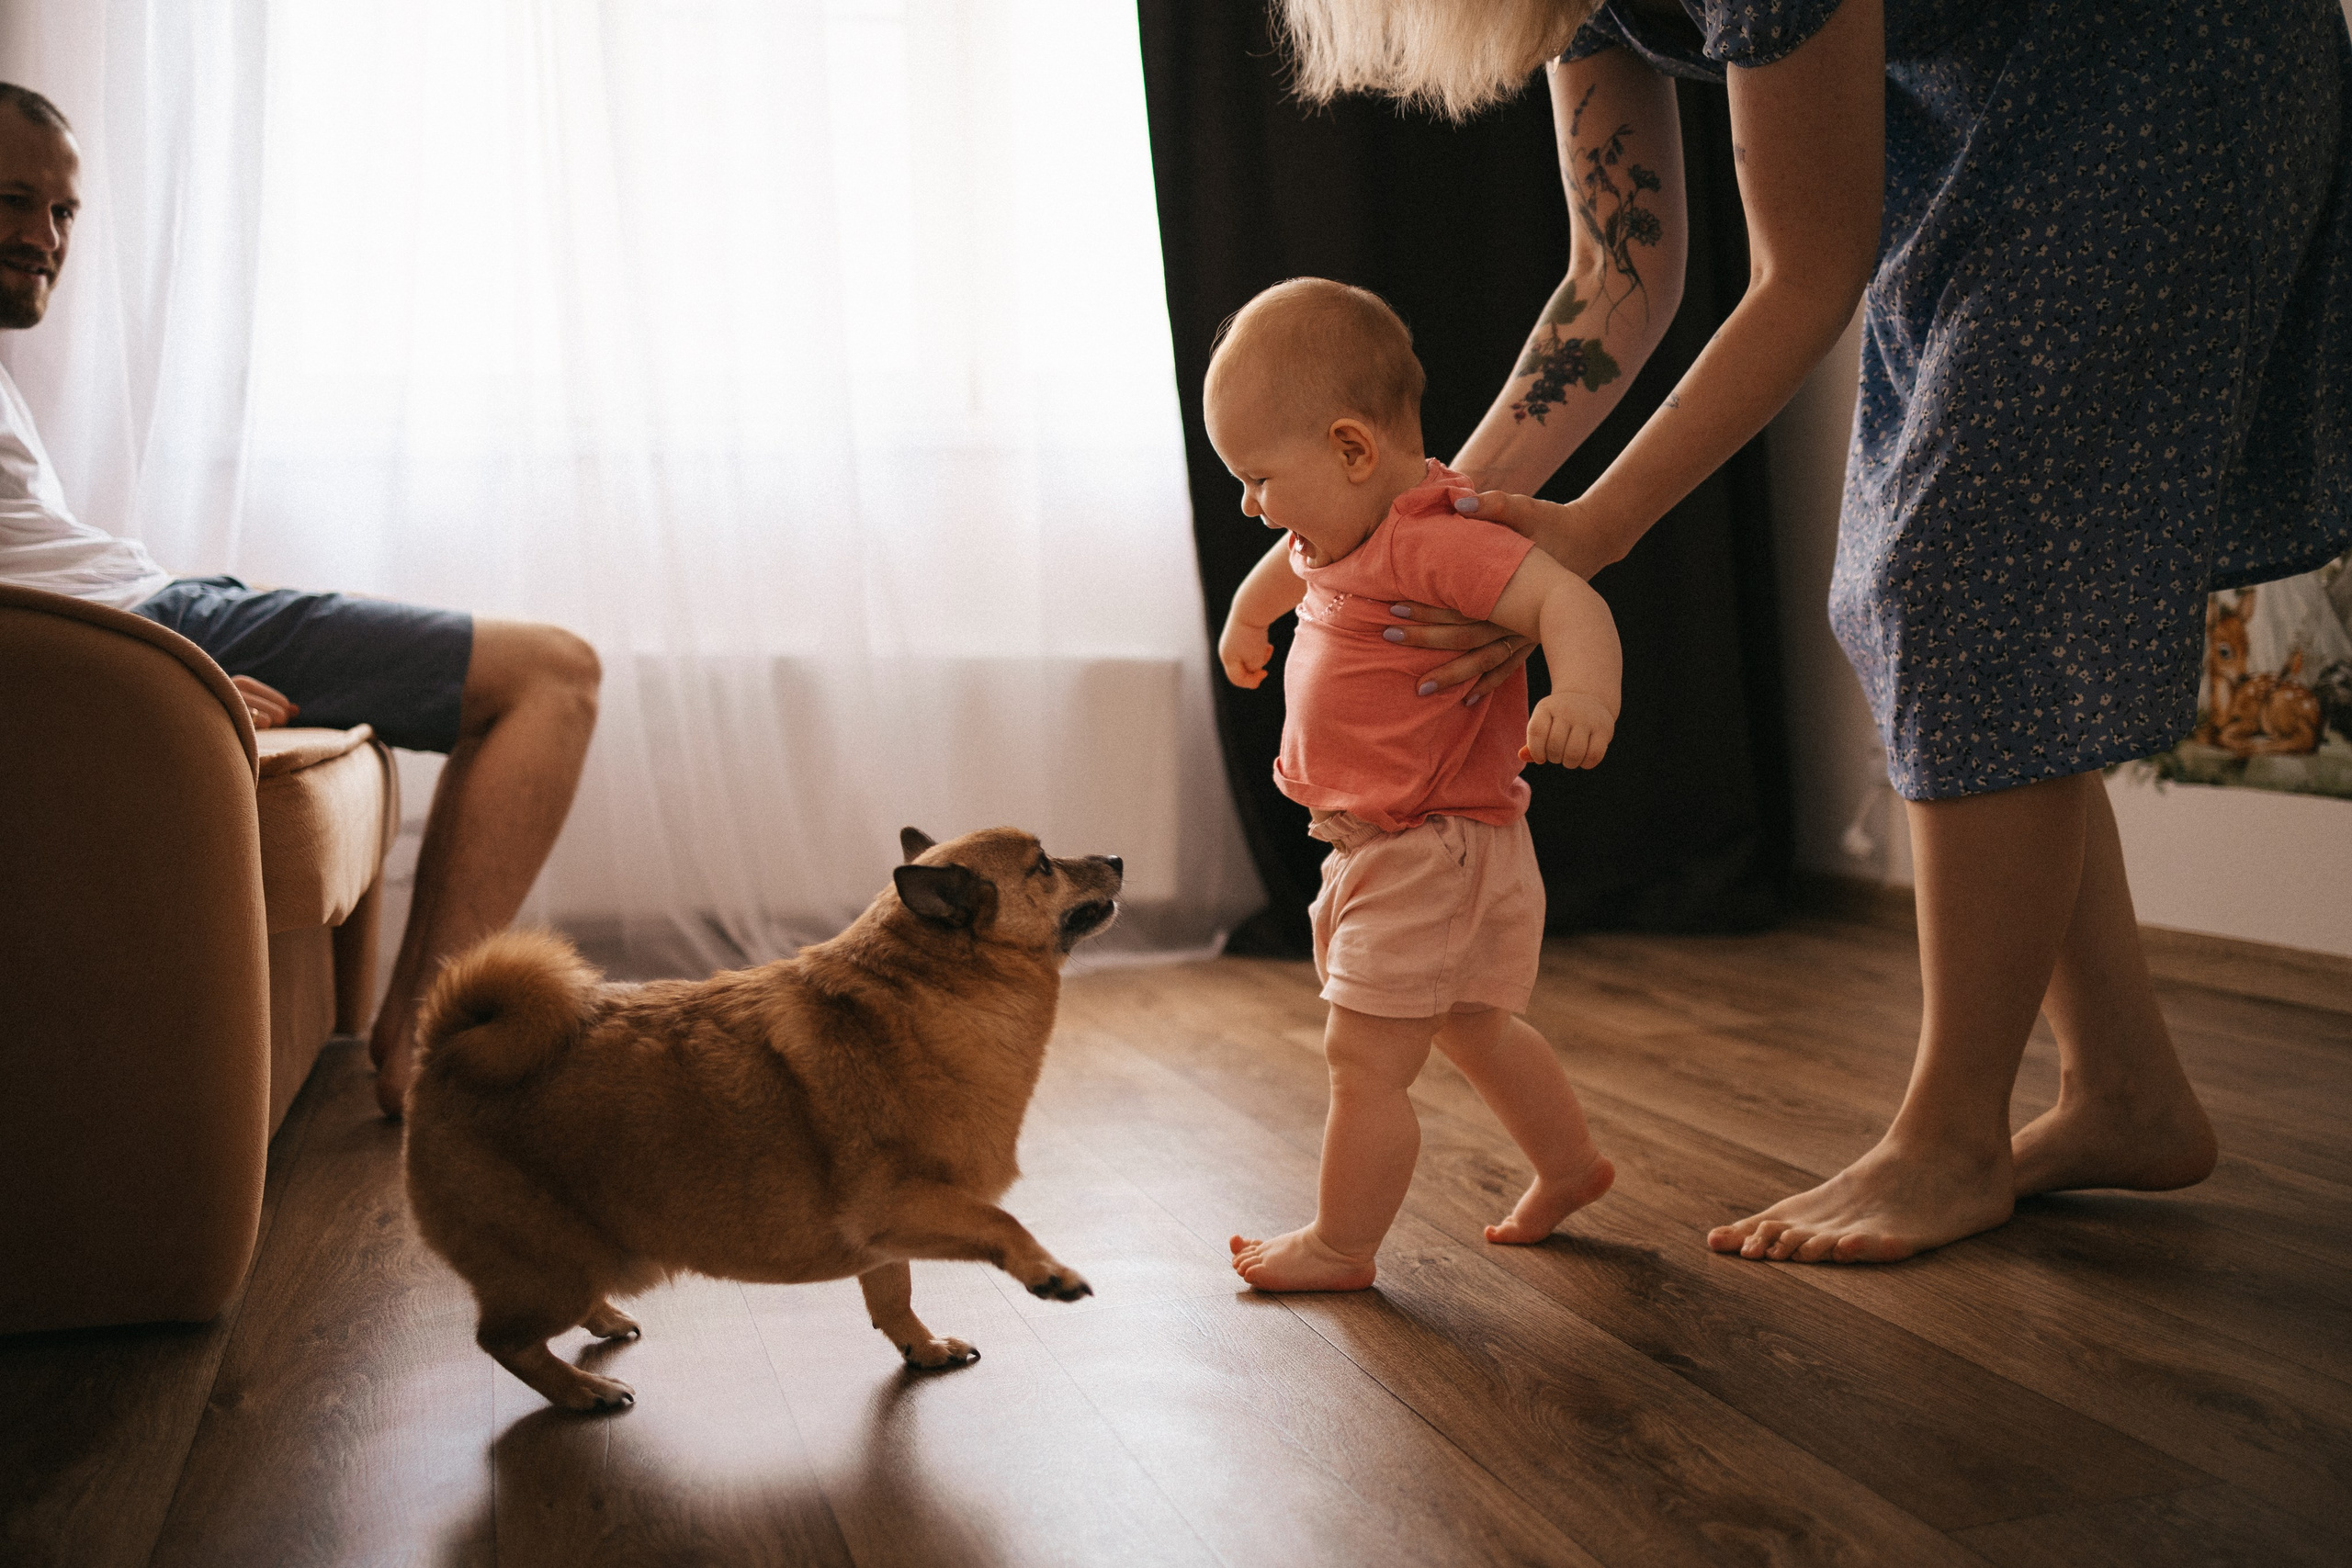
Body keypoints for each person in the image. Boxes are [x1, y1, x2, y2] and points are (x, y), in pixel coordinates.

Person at [1276, 0, 2352, 1262]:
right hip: (1993, 112)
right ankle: (2125, 1092)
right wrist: (1422, 534)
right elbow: (1616, 273)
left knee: (1956, 578)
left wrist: (1597, 525)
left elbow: (1807, 273)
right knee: (1942, 600)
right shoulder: (1567, 2)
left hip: (2166, 69)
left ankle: (1954, 1137)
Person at [0, 82, 601, 1120]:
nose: (44, 236)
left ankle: (419, 1041)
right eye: (13, 198)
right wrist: (159, 684)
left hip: (160, 616)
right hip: (156, 628)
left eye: (62, 213)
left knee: (544, 670)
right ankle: (432, 1054)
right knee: (554, 674)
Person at [1209, 277, 1620, 1292]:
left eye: (1258, 478)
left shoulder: (1435, 541)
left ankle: (1342, 1244)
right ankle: (1570, 1167)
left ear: (1352, 450)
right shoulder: (1331, 536)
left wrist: (1584, 699)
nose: (1252, 505)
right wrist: (1247, 618)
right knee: (1475, 1025)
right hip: (1416, 843)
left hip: (1427, 843)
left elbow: (1568, 601)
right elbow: (1287, 567)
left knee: (1363, 1058)